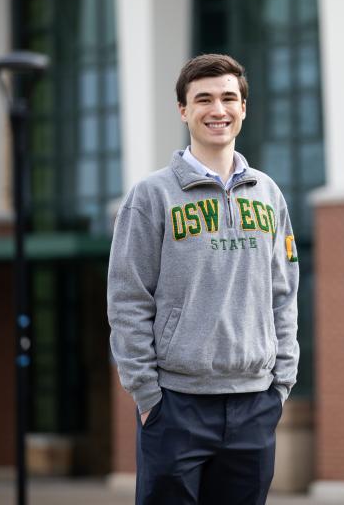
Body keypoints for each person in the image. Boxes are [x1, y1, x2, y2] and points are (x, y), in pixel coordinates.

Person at [107, 53, 299, 504]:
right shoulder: (152, 196)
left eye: (229, 98)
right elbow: (127, 298)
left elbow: (283, 292)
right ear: (183, 110)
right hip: (176, 403)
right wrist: (147, 394)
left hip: (254, 402)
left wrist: (281, 383)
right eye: (204, 99)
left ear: (244, 108)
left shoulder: (268, 194)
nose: (219, 110)